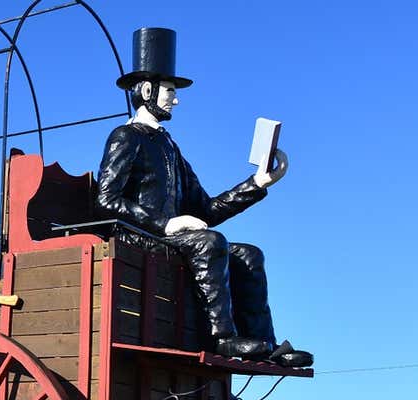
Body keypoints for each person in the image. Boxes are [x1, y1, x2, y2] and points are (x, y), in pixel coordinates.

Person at [95, 27, 312, 368]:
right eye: (170, 90)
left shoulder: (169, 148)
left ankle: (265, 342)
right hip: (138, 237)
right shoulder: (126, 137)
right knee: (210, 243)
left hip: (169, 240)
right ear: (147, 90)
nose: (175, 99)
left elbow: (205, 210)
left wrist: (258, 182)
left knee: (248, 255)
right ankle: (222, 338)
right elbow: (106, 199)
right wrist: (166, 223)